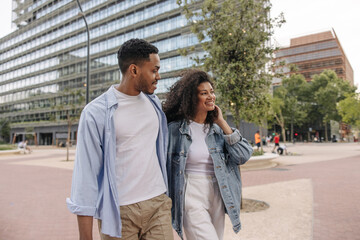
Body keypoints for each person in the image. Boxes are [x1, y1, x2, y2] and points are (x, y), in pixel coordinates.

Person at [66, 39, 173, 240]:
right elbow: (85, 178)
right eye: (154, 70)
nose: (158, 76)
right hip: (119, 212)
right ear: (134, 70)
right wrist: (85, 237)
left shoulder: (154, 104)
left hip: (158, 203)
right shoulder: (95, 113)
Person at [163, 69, 253, 240]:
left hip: (218, 190)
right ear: (192, 98)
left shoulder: (218, 130)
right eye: (204, 93)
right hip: (190, 191)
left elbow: (243, 156)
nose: (211, 96)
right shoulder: (175, 130)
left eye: (212, 92)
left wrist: (222, 122)